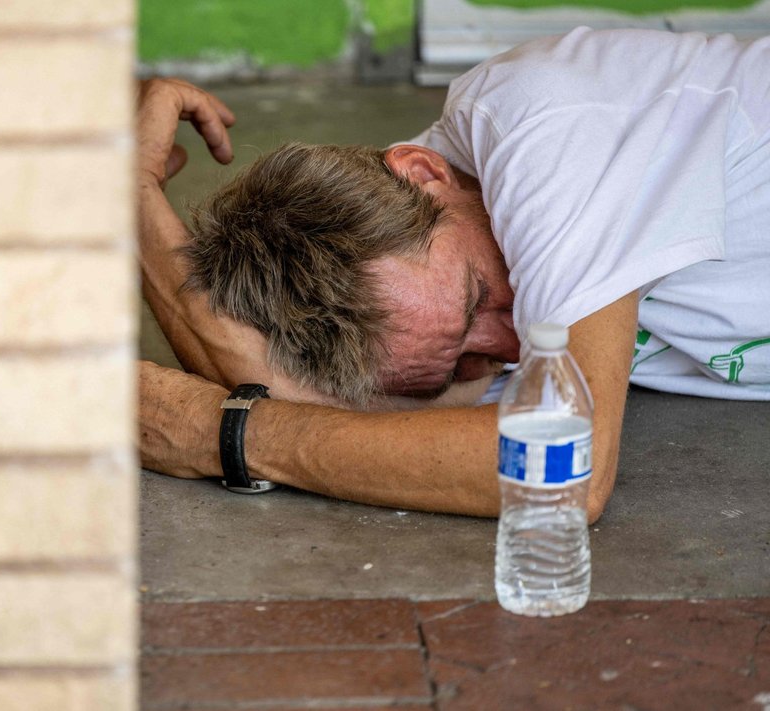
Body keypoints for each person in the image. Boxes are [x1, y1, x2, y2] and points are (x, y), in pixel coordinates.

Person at [136, 28, 770, 521]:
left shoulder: (546, 128)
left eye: (480, 299)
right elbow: (272, 384)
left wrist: (217, 436)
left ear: (423, 171)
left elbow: (558, 467)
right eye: (461, 364)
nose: (511, 347)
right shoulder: (429, 278)